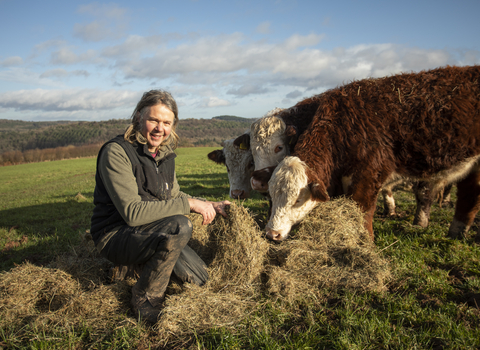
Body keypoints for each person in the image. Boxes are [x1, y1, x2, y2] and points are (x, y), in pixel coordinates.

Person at [90, 89, 230, 323]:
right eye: (153, 120)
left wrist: (208, 204)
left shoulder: (164, 155)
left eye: (166, 122)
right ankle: (145, 297)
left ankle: (136, 266)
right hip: (115, 235)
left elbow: (173, 196)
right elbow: (133, 213)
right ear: (138, 118)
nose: (159, 128)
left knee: (201, 278)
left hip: (151, 231)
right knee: (180, 226)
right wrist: (189, 204)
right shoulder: (116, 152)